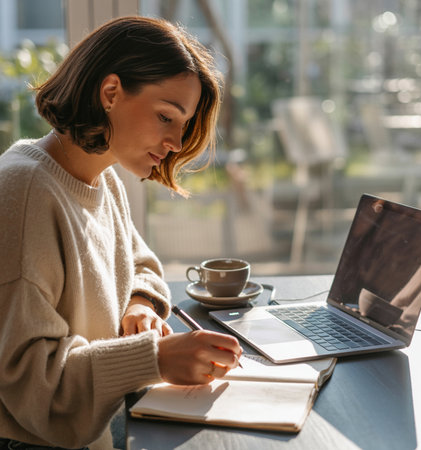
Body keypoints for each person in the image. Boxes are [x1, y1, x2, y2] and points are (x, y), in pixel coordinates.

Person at [0, 16, 242, 450]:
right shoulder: (23, 191)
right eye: (166, 116)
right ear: (110, 92)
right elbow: (32, 384)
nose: (174, 142)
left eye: (182, 125)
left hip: (94, 428)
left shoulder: (101, 178)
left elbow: (139, 263)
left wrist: (141, 302)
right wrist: (155, 358)